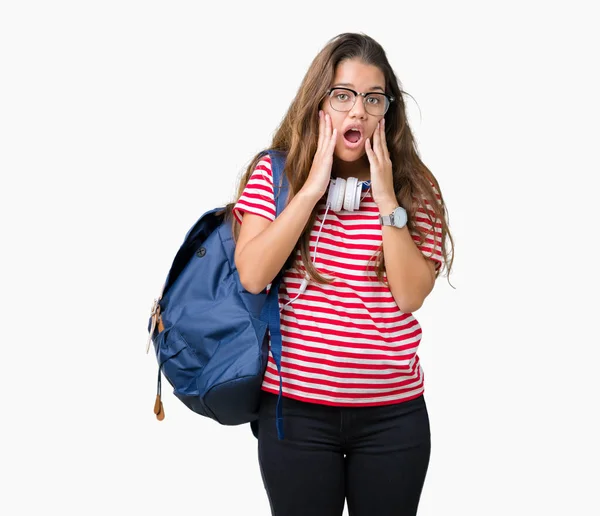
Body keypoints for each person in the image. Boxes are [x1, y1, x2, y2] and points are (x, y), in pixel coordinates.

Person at [230, 32, 454, 516]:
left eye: (373, 99)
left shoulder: (415, 188)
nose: (358, 112)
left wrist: (388, 200)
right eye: (343, 96)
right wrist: (310, 189)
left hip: (393, 418)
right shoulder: (274, 176)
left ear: (386, 112)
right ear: (320, 105)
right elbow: (251, 274)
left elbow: (411, 295)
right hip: (297, 417)